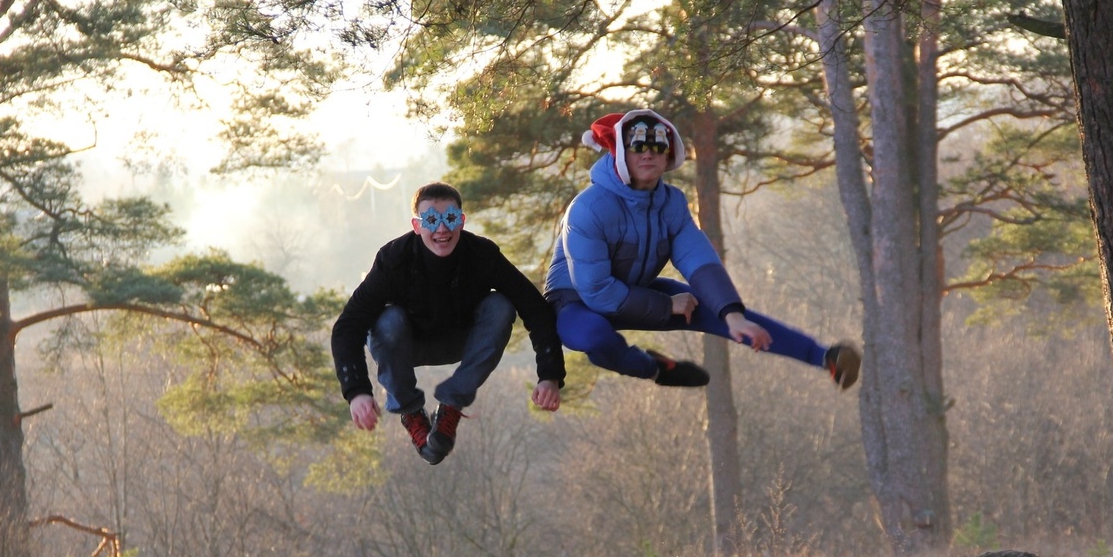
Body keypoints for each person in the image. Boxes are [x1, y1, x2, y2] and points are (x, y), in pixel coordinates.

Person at [545, 108, 860, 391]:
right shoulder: (588, 208)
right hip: (578, 304)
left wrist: (732, 315)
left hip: (636, 291)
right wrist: (666, 305)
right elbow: (597, 291)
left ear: (669, 156)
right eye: (638, 146)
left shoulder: (672, 203)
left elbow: (699, 259)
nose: (648, 154)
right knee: (595, 337)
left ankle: (824, 357)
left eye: (658, 147)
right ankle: (655, 368)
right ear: (619, 153)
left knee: (719, 310)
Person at [331, 182, 565, 465]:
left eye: (450, 219)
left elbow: (534, 308)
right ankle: (411, 412)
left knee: (500, 306)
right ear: (417, 226)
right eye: (431, 220)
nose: (442, 230)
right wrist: (357, 392)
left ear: (462, 221)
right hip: (407, 344)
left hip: (461, 341)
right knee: (386, 319)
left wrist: (550, 375)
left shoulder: (482, 255)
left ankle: (452, 404)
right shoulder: (393, 260)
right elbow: (348, 327)